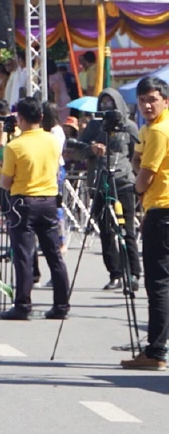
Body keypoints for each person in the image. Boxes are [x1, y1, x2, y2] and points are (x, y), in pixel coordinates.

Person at [0, 96, 71, 321]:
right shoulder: (53, 141)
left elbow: (6, 182)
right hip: (49, 200)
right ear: (41, 116)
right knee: (54, 254)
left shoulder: (14, 146)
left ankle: (23, 304)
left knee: (23, 255)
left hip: (24, 202)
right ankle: (61, 304)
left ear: (19, 118)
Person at [73, 88, 142, 291]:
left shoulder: (129, 126)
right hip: (100, 182)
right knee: (105, 231)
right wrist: (91, 149)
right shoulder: (95, 125)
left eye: (110, 102)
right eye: (103, 103)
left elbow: (136, 155)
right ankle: (115, 273)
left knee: (127, 229)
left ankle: (133, 273)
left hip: (123, 182)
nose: (106, 106)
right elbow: (76, 152)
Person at [122, 76, 169, 370]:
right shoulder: (150, 129)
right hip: (160, 210)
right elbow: (137, 159)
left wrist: (138, 190)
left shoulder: (159, 132)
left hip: (162, 212)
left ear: (165, 100)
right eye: (142, 101)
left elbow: (144, 177)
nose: (147, 105)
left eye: (152, 99)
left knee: (158, 285)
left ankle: (156, 351)